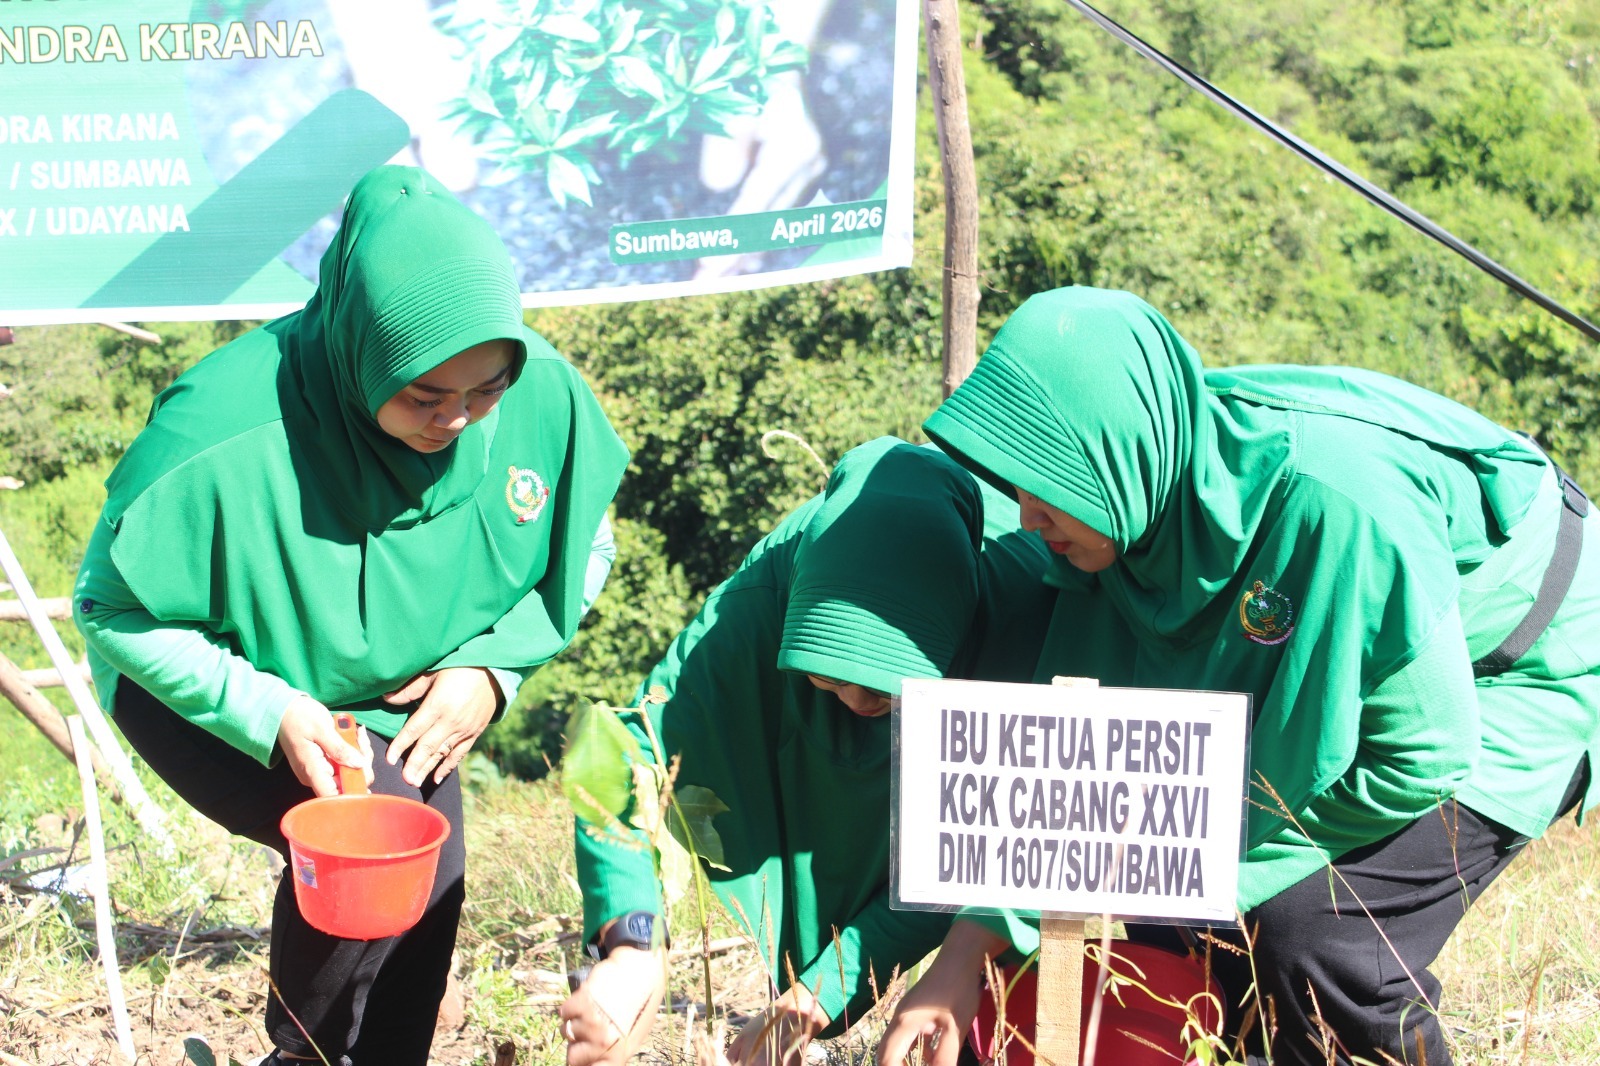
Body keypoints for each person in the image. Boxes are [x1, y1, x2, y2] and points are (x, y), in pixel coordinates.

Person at [880, 286, 1600, 1066]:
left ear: (1119, 450)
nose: (1027, 516)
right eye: (1017, 485)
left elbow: (1424, 754)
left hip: (1522, 661)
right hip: (1391, 653)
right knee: (1172, 925)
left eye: (1047, 484)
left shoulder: (1333, 503)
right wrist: (963, 955)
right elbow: (1074, 782)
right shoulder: (1130, 509)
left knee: (1310, 936)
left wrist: (1215, 875)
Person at [73, 165, 629, 1066]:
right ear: (362, 352)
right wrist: (268, 710)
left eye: (484, 390)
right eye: (423, 396)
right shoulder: (223, 435)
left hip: (395, 688)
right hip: (217, 677)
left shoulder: (540, 395)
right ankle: (303, 1055)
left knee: (430, 872)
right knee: (370, 835)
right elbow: (109, 607)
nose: (457, 421)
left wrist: (493, 668)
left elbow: (587, 545)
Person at [560, 437, 1058, 1066]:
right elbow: (627, 752)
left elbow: (989, 841)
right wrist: (632, 942)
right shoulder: (764, 598)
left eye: (886, 685)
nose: (858, 701)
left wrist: (827, 989)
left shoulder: (1032, 601)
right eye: (830, 677)